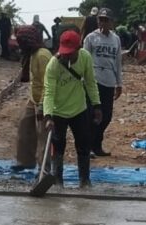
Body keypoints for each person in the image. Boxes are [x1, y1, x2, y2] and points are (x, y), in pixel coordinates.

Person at [43, 30, 102, 188]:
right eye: (64, 53)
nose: (67, 56)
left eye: (70, 53)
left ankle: (84, 181)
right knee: (58, 146)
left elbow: (90, 82)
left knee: (83, 145)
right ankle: (57, 181)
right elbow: (49, 92)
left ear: (78, 48)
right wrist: (48, 116)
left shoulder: (85, 57)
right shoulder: (53, 65)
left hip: (79, 109)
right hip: (58, 111)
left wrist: (96, 105)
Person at [10, 26, 52, 172]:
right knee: (25, 126)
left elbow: (49, 83)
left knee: (43, 134)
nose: (19, 45)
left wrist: (42, 105)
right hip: (33, 97)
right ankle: (26, 161)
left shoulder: (42, 55)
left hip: (45, 99)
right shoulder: (32, 54)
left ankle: (44, 169)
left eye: (21, 42)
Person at [83, 8, 122, 157]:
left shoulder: (115, 39)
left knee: (107, 116)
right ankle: (89, 146)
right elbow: (84, 60)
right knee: (92, 115)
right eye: (101, 19)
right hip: (94, 80)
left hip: (109, 80)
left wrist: (119, 83)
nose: (103, 22)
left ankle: (96, 144)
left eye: (106, 20)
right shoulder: (91, 38)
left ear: (112, 22)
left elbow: (118, 62)